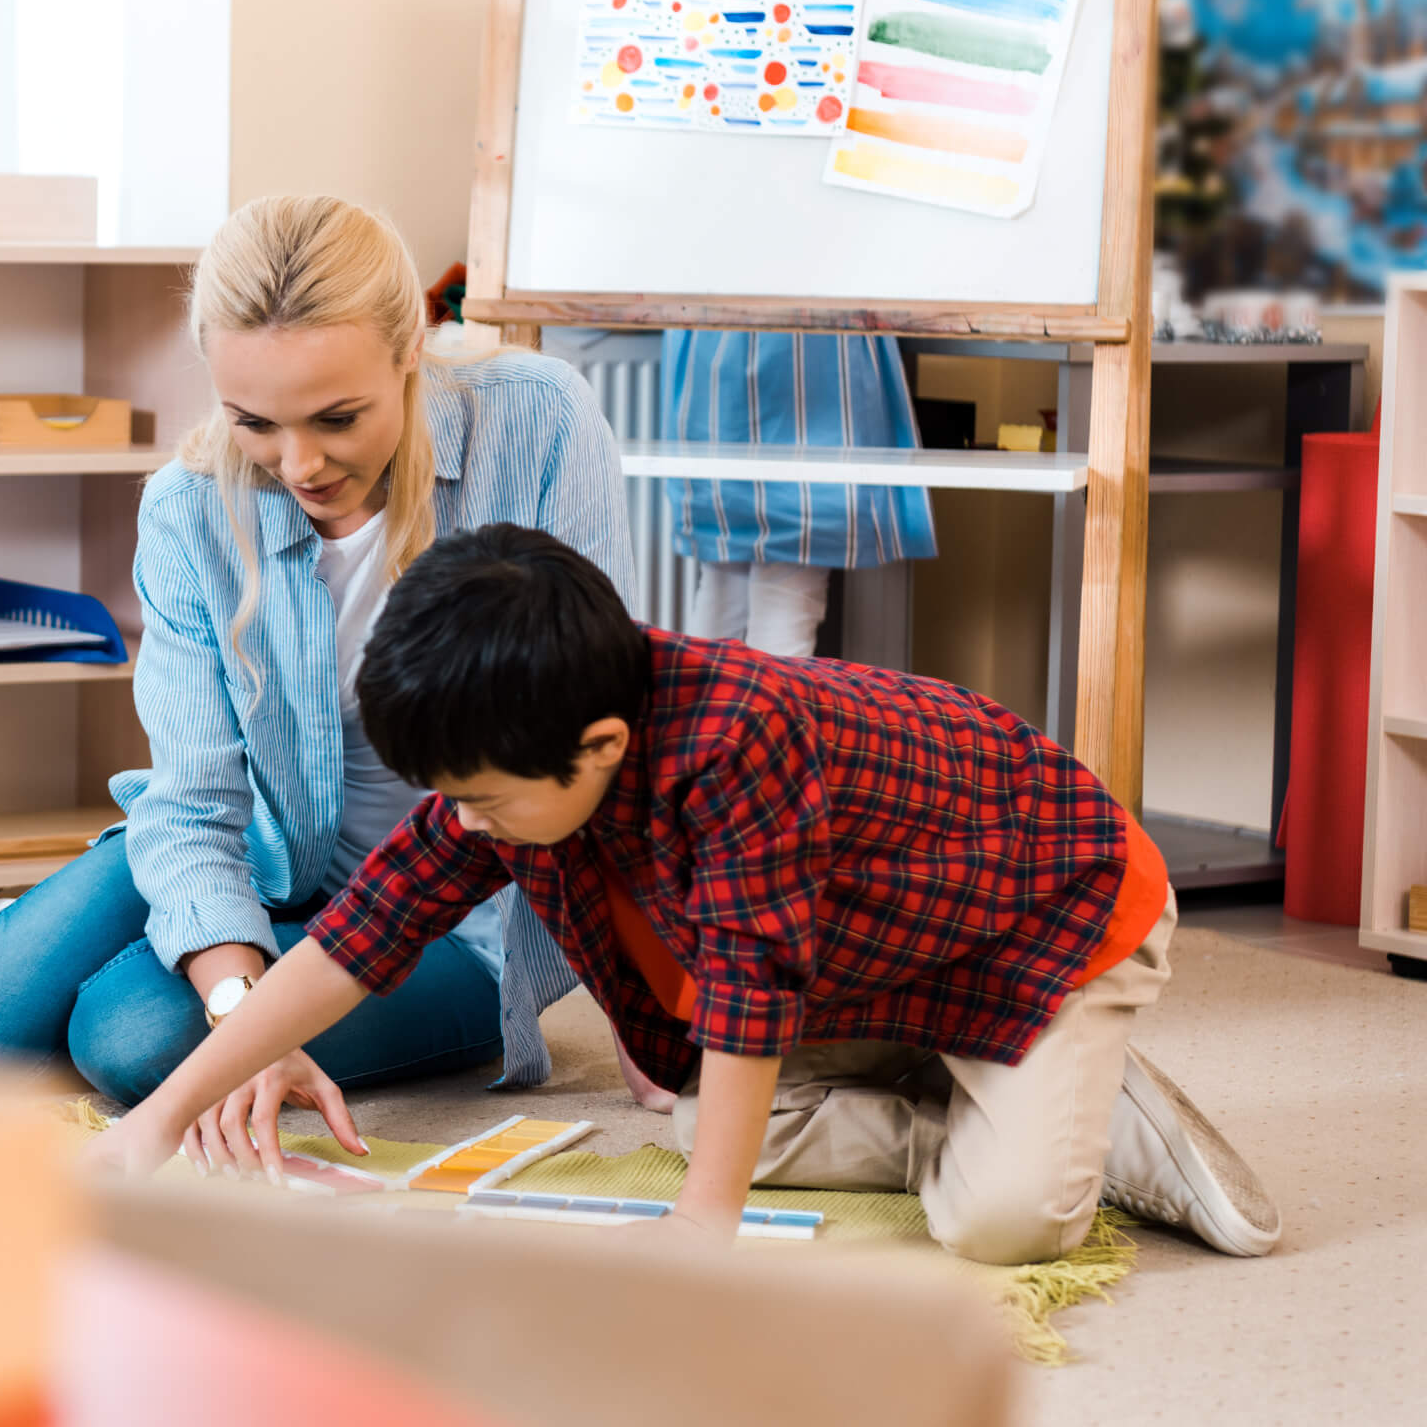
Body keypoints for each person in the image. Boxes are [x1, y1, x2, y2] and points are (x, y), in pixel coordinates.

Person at [85, 524, 1280, 1264]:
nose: (469, 824)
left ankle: (1085, 1106)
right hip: (880, 940)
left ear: (601, 745)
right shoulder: (521, 746)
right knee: (696, 1114)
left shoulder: (736, 737)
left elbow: (756, 982)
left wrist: (705, 1227)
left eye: (488, 802)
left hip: (1053, 914)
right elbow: (362, 935)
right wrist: (157, 1121)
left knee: (1000, 1225)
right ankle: (983, 1097)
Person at [0, 196, 661, 1165]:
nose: (299, 464)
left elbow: (598, 719)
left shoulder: (538, 423)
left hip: (455, 914)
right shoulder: (188, 505)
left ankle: (155, 941)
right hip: (265, 852)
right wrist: (249, 1006)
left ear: (412, 344)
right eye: (255, 422)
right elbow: (196, 797)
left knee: (127, 1034)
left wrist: (642, 1002)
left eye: (338, 417)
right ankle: (167, 921)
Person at [664, 330, 937, 658]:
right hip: (807, 364)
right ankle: (762, 709)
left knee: (723, 583)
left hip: (718, 366)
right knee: (785, 586)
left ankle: (696, 708)